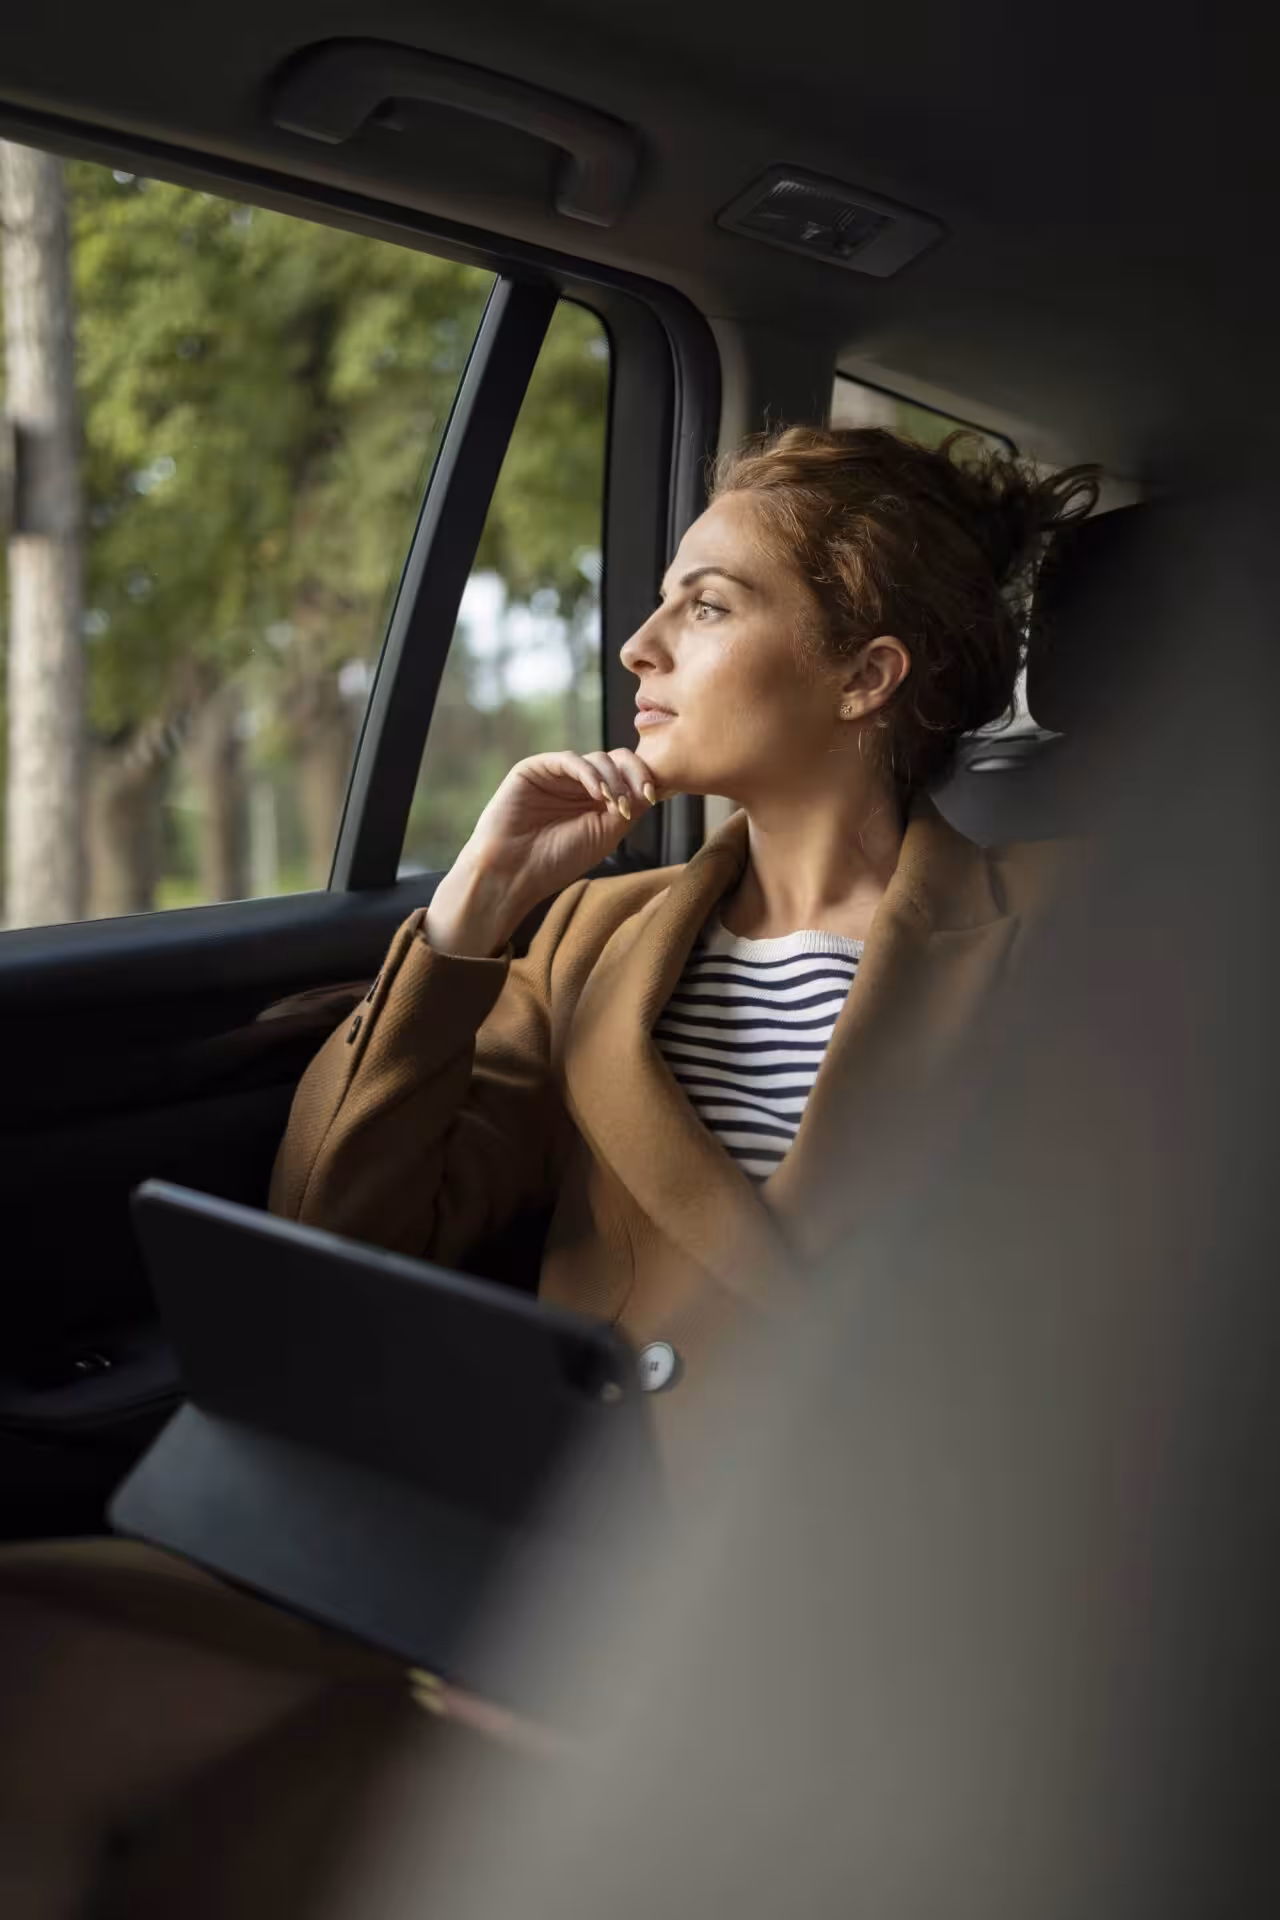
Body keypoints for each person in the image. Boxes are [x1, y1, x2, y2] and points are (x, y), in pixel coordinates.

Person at [0, 426, 1098, 1917]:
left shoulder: (1079, 924)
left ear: (868, 675)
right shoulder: (594, 938)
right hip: (529, 1588)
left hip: (874, 1627)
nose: (640, 643)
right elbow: (340, 1230)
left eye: (709, 605)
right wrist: (471, 919)